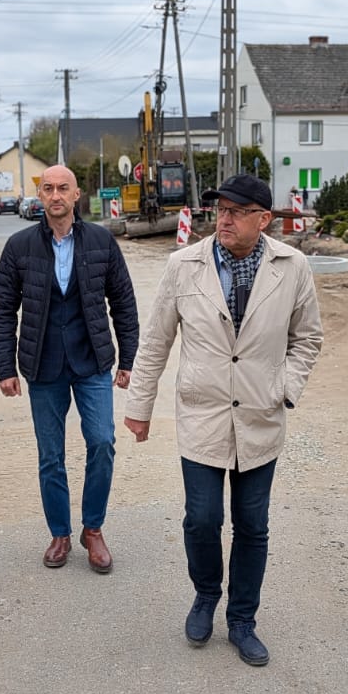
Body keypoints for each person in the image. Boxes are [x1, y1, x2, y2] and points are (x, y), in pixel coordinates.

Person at [123, 174, 323, 667]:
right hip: (202, 416)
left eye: (237, 211)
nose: (224, 219)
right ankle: (206, 594)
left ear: (264, 219)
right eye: (220, 210)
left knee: (253, 525)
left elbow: (308, 339)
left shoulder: (293, 267)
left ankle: (242, 620)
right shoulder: (183, 265)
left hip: (260, 416)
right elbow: (155, 342)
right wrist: (139, 409)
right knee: (203, 518)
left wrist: (285, 390)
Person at [0, 165, 139, 572]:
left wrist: (128, 359)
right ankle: (60, 533)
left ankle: (93, 528)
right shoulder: (19, 247)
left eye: (63, 189)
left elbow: (123, 303)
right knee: (50, 456)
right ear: (40, 196)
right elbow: (3, 311)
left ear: (77, 196)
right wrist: (6, 367)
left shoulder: (101, 241)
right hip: (43, 366)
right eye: (48, 188)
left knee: (102, 442)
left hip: (91, 361)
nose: (55, 195)